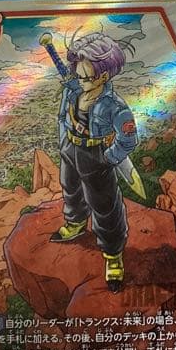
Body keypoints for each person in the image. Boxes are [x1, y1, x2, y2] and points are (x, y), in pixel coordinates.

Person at [50, 30, 139, 292]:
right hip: (71, 149)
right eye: (78, 75)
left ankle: (113, 255)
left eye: (86, 77)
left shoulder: (115, 106)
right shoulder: (73, 91)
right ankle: (76, 222)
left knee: (105, 206)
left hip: (96, 155)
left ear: (104, 75)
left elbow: (128, 139)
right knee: (70, 188)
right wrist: (64, 143)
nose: (80, 80)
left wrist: (108, 158)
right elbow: (62, 117)